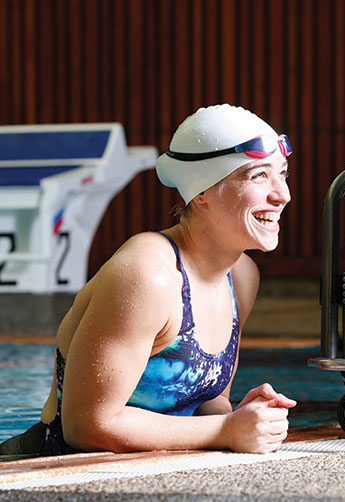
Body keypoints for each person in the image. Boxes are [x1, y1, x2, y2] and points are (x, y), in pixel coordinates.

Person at [0, 104, 296, 458]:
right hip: (48, 469)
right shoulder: (148, 275)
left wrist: (245, 418)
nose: (282, 194)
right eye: (258, 176)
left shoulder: (241, 276)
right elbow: (86, 426)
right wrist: (225, 429)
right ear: (200, 192)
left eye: (283, 174)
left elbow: (205, 401)